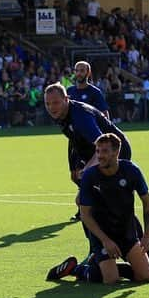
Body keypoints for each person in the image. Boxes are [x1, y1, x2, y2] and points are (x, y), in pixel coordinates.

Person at [46, 133, 149, 285]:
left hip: (126, 234)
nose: (99, 156)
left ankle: (103, 266)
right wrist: (106, 241)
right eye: (97, 151)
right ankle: (75, 269)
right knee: (111, 280)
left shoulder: (131, 171)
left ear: (116, 152)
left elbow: (147, 203)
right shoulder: (91, 176)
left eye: (104, 151)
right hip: (102, 235)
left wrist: (147, 235)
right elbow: (85, 214)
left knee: (145, 277)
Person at [44, 82, 133, 221]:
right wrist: (73, 165)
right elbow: (73, 137)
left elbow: (103, 144)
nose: (51, 107)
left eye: (55, 102)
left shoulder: (81, 117)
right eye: (48, 103)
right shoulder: (62, 113)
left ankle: (130, 232)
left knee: (105, 194)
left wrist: (87, 173)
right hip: (91, 150)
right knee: (77, 178)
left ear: (66, 99)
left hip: (115, 150)